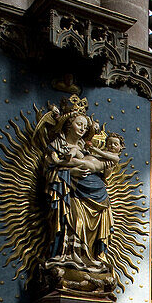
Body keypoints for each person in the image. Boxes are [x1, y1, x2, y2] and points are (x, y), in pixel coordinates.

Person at [45, 112, 113, 275]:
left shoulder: (86, 147)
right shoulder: (57, 146)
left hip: (95, 196)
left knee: (97, 220)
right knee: (76, 222)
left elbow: (102, 171)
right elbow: (49, 172)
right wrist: (71, 173)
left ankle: (91, 257)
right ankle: (70, 256)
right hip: (72, 196)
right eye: (79, 124)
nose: (82, 128)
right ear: (69, 125)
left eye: (85, 126)